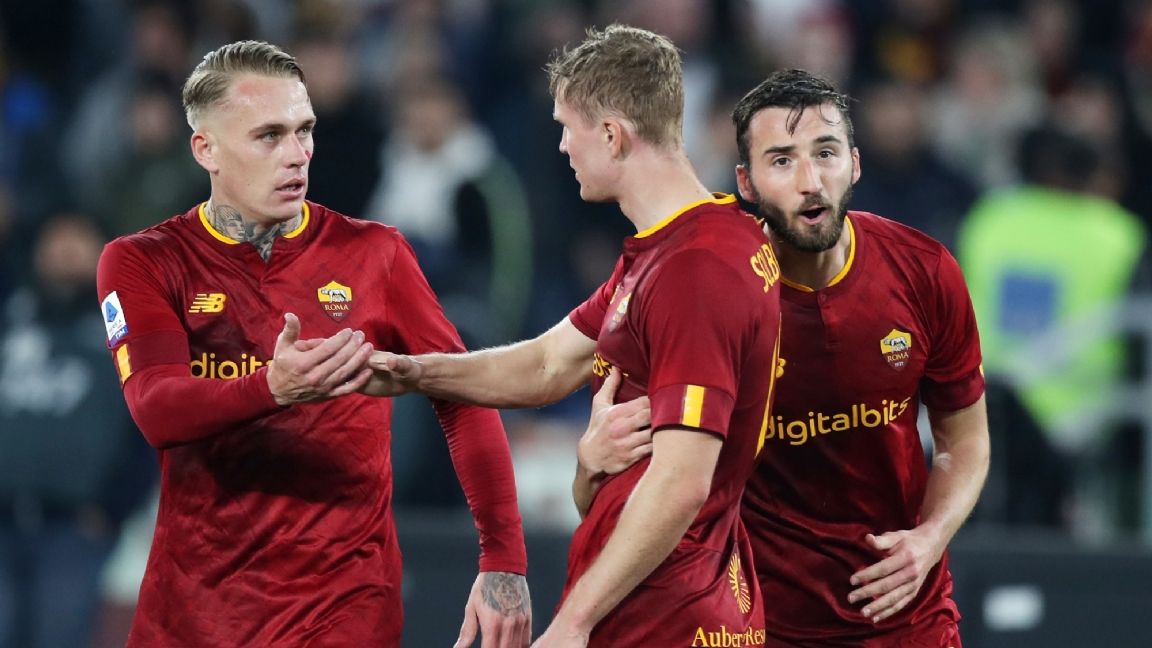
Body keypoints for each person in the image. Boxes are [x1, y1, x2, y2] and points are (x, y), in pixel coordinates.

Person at [94, 40, 530, 648]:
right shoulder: (144, 261)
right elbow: (155, 407)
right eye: (269, 136)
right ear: (206, 149)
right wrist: (272, 387)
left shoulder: (376, 254)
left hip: (342, 607)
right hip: (193, 612)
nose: (297, 154)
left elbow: (463, 395)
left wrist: (503, 557)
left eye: (305, 131)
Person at [364, 24, 782, 648]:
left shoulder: (695, 269)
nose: (561, 145)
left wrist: (573, 622)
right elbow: (547, 365)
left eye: (567, 127)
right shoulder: (678, 249)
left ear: (612, 134)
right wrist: (412, 372)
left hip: (669, 615)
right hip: (669, 597)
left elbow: (682, 482)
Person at [584, 69, 990, 646]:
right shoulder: (711, 283)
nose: (810, 181)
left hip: (907, 616)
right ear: (745, 183)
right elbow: (563, 374)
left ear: (854, 163)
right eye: (781, 160)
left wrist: (931, 537)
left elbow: (964, 440)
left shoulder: (924, 270)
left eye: (825, 153)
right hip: (759, 623)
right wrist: (589, 463)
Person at [0, 214, 154, 648]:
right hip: (3, 516)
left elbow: (150, 423)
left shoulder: (129, 330)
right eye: (55, 238)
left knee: (57, 638)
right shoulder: (10, 317)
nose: (65, 250)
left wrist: (112, 509)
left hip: (73, 528)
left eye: (79, 239)